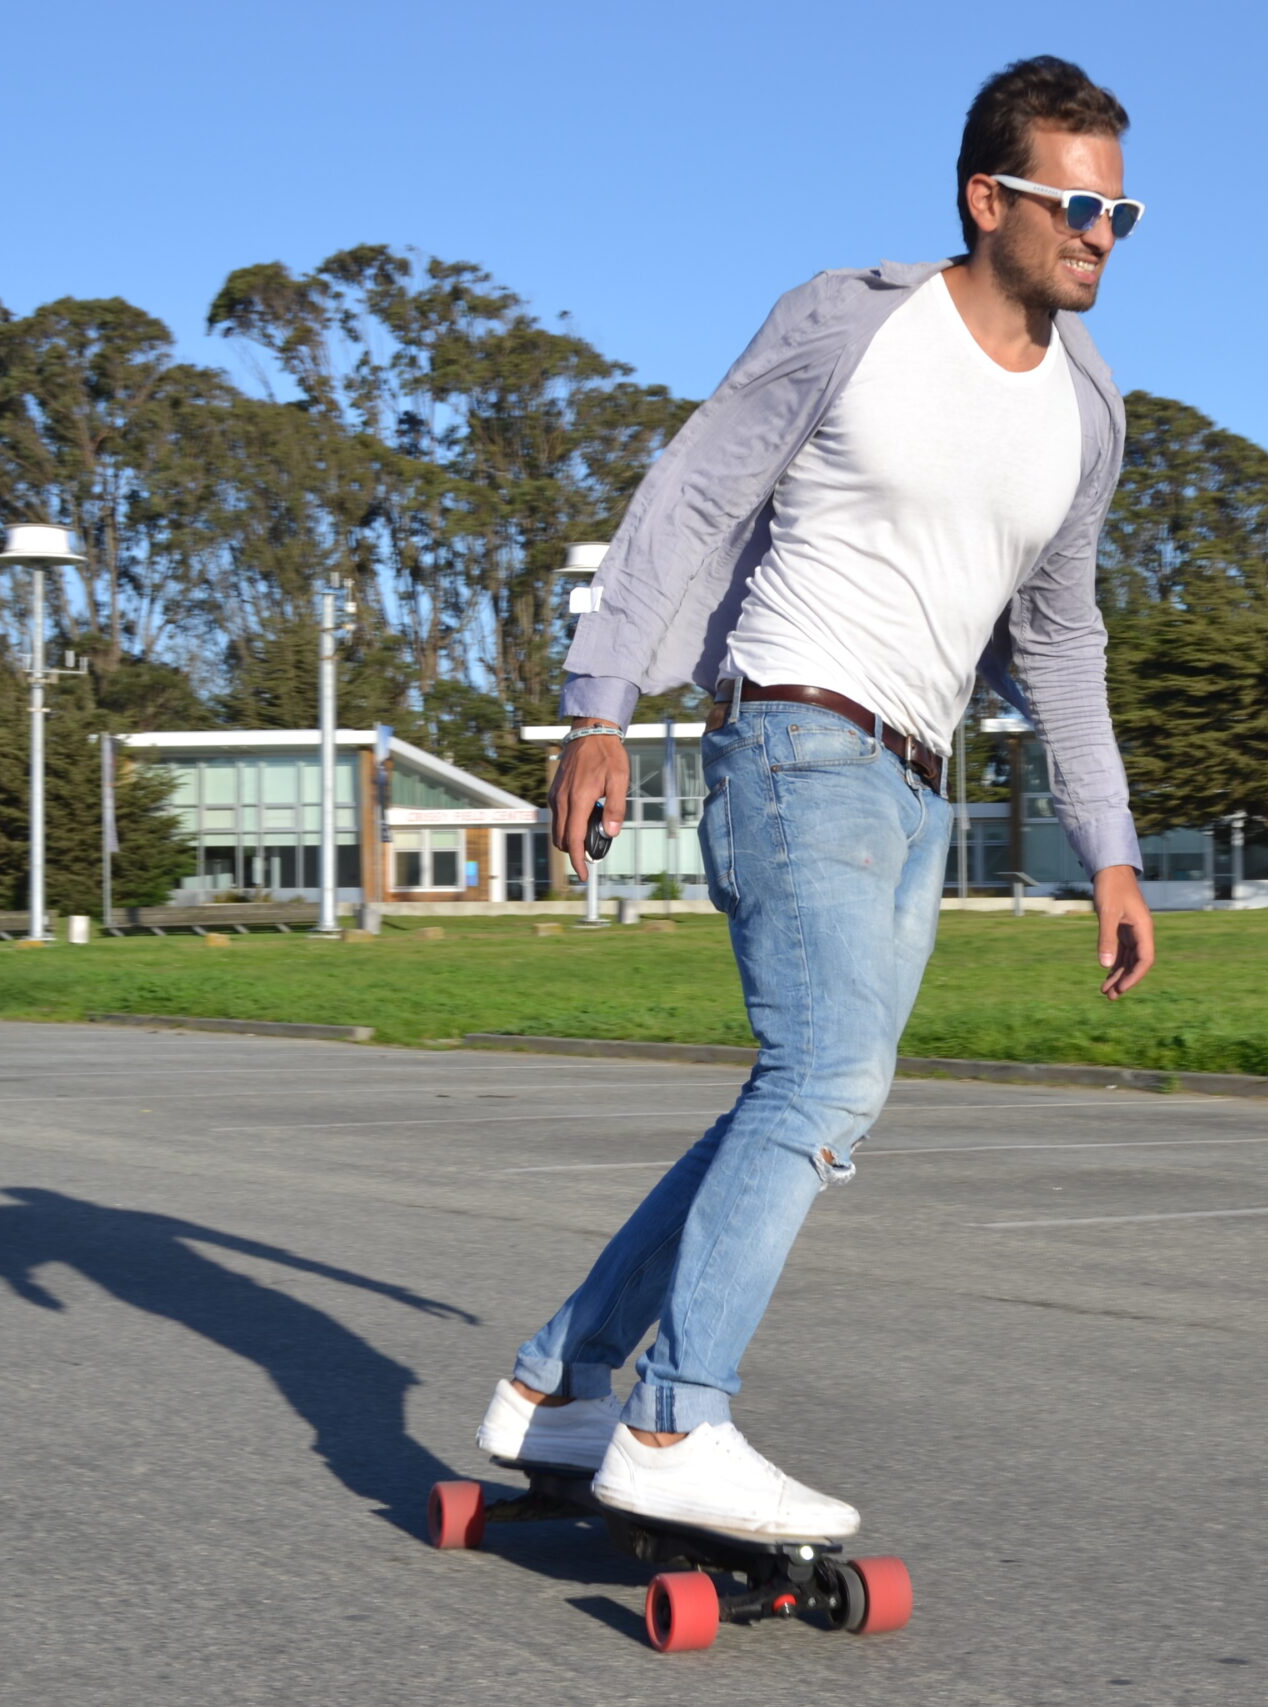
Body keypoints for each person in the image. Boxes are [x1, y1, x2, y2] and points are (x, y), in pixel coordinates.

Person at [477, 55, 1155, 1541]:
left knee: (798, 1099)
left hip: (917, 787)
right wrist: (599, 708)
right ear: (991, 198)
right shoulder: (852, 324)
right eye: (1078, 202)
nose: (1104, 233)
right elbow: (691, 496)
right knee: (827, 1084)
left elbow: (1060, 637)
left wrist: (1109, 850)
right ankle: (677, 1418)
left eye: (1124, 209)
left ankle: (559, 1384)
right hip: (794, 735)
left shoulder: (1087, 413)